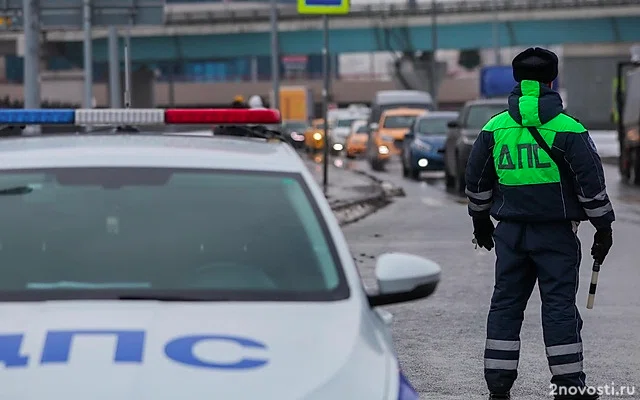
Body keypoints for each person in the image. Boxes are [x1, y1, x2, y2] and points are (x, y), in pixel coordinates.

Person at [464, 47, 614, 400]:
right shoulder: (569, 128)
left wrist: (480, 221)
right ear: (552, 80)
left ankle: (498, 388)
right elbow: (591, 184)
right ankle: (568, 389)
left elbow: (476, 181)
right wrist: (603, 227)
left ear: (517, 80)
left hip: (511, 235)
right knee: (559, 308)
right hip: (556, 236)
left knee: (505, 307)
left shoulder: (494, 128)